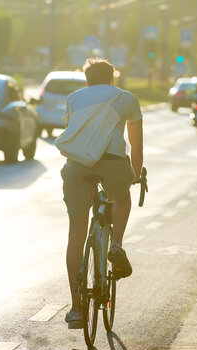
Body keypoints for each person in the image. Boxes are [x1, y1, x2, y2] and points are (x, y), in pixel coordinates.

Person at [61, 58, 144, 329]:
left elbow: (75, 133)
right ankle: (116, 245)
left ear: (86, 81)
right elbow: (136, 143)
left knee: (76, 232)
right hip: (112, 164)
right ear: (112, 80)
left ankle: (76, 310)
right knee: (121, 197)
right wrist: (135, 173)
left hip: (77, 166)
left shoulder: (74, 98)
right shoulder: (126, 99)